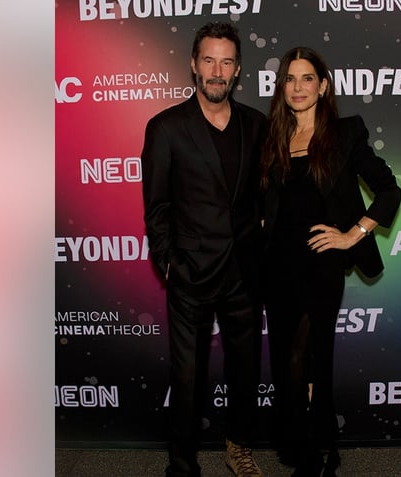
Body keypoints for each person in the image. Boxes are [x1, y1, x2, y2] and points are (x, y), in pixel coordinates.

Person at [260, 46, 401, 476]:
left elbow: (388, 189)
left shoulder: (344, 134)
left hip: (321, 266)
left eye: (307, 79)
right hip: (278, 266)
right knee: (285, 356)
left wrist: (352, 234)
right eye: (290, 79)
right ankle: (302, 440)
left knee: (312, 354)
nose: (298, 87)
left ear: (322, 87)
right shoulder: (271, 137)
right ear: (281, 87)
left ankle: (316, 450)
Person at [141, 22, 267, 477]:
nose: (218, 71)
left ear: (238, 70)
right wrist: (169, 264)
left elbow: (266, 197)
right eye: (209, 60)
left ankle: (239, 447)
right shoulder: (167, 128)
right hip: (190, 273)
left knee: (245, 371)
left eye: (227, 61)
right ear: (194, 65)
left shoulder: (257, 125)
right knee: (188, 376)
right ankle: (182, 462)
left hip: (244, 276)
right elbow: (156, 207)